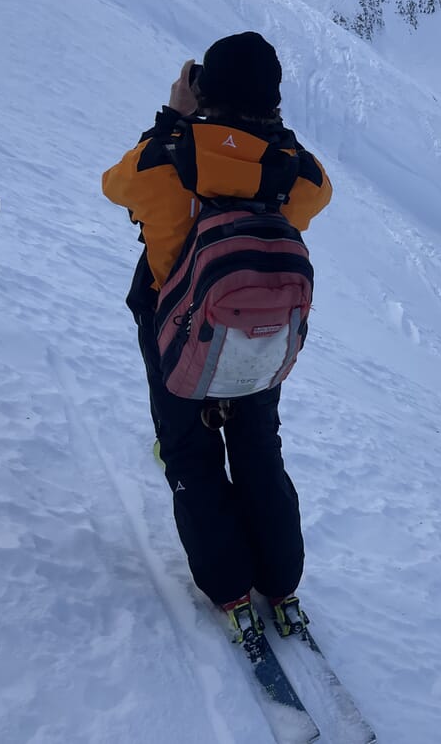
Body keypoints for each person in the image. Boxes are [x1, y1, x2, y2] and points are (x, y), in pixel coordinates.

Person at [103, 32, 332, 642]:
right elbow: (318, 192)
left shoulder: (168, 157)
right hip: (256, 338)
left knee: (190, 454)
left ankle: (228, 586)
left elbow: (116, 185)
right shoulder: (295, 172)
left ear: (204, 87)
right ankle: (280, 581)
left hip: (176, 331)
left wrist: (174, 117)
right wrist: (267, 133)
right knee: (259, 448)